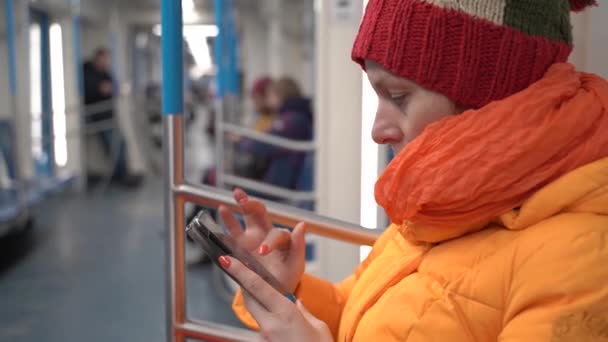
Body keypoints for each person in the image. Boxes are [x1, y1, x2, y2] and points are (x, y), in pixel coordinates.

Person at [211, 0, 608, 341]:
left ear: (489, 98)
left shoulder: (585, 259)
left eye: (398, 97)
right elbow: (356, 314)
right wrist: (287, 290)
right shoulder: (441, 207)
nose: (377, 131)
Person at [239, 77, 313, 197]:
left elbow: (262, 144)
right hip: (280, 179)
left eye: (271, 95)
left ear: (280, 95)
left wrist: (243, 141)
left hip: (281, 186)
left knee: (236, 191)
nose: (268, 99)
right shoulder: (294, 116)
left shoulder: (292, 120)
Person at [83, 48, 142, 188]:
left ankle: (123, 174)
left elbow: (113, 87)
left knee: (121, 144)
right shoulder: (87, 72)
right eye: (104, 59)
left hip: (109, 115)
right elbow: (102, 89)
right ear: (97, 58)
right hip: (98, 116)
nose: (106, 63)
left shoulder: (105, 72)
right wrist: (107, 88)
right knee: (113, 145)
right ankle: (121, 177)